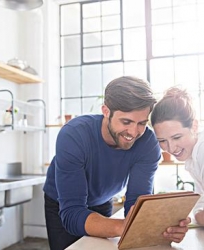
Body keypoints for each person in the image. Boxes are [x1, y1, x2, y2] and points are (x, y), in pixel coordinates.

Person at [43, 76, 191, 250]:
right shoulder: (74, 135)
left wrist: (158, 228)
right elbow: (73, 213)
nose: (133, 132)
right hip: (62, 203)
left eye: (141, 123)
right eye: (126, 122)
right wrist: (124, 227)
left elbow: (136, 202)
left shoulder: (148, 144)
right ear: (106, 111)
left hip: (103, 200)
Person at [151, 87, 204, 226]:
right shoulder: (193, 158)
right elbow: (201, 202)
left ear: (194, 126)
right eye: (162, 141)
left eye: (176, 137)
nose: (171, 148)